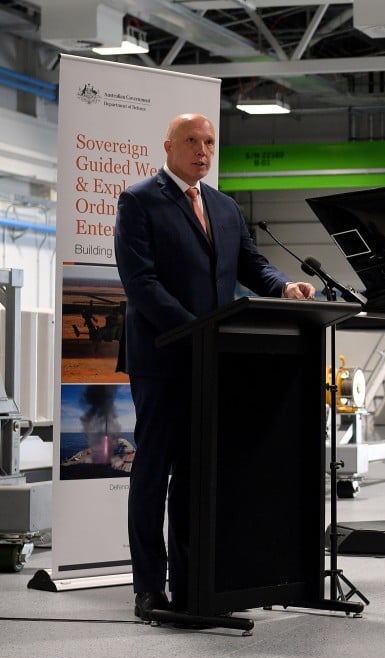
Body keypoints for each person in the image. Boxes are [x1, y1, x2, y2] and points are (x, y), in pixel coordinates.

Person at [114, 112, 316, 621]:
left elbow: (251, 263)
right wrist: (197, 330)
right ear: (168, 146)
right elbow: (141, 283)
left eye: (208, 142)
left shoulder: (224, 206)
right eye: (191, 141)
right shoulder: (139, 201)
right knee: (153, 472)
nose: (202, 150)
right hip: (163, 357)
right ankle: (148, 588)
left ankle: (192, 584)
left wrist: (283, 287)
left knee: (196, 474)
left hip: (210, 359)